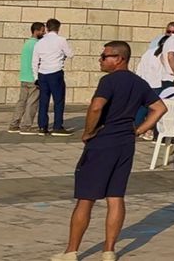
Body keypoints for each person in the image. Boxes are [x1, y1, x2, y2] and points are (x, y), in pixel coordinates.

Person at [51, 40, 166, 261]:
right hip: (125, 143)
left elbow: (96, 107)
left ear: (119, 59)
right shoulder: (139, 82)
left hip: (103, 142)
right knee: (115, 196)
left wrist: (87, 131)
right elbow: (160, 108)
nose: (100, 59)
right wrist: (139, 130)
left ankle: (71, 251)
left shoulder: (108, 81)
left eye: (105, 56)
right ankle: (109, 250)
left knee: (86, 198)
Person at [34, 17, 75, 136]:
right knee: (58, 100)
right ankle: (57, 127)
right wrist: (62, 55)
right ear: (58, 28)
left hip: (42, 73)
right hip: (55, 72)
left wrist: (35, 76)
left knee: (43, 101)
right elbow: (70, 54)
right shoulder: (61, 40)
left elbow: (35, 61)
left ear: (46, 28)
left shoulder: (40, 42)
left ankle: (42, 127)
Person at [8, 21, 45, 133]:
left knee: (22, 102)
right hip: (33, 78)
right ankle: (26, 126)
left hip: (24, 77)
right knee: (32, 103)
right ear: (36, 31)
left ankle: (14, 124)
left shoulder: (27, 43)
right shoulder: (37, 44)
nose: (44, 33)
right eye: (42, 30)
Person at [136, 21, 174, 90]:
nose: (170, 35)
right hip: (158, 84)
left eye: (173, 32)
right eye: (168, 31)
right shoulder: (154, 48)